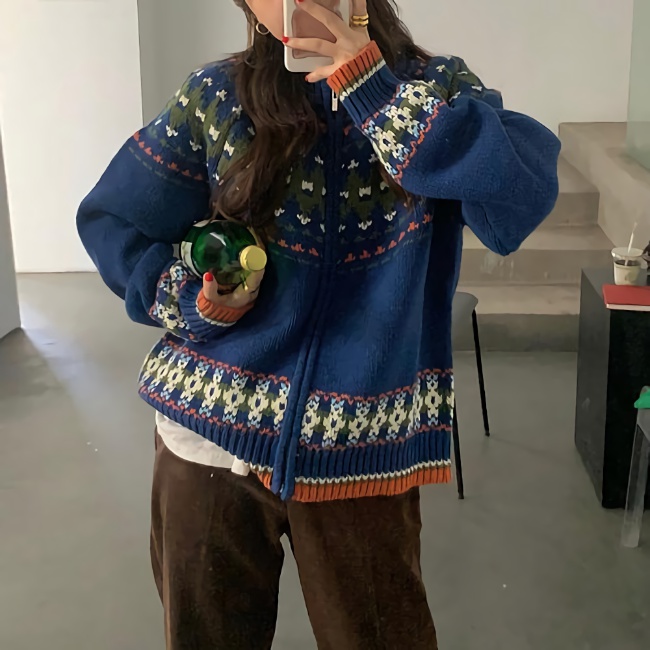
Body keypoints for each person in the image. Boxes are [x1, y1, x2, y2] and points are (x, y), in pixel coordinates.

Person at [77, 0, 560, 647]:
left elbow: (520, 199)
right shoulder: (217, 96)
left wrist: (376, 93)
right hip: (208, 440)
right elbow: (114, 220)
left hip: (362, 446)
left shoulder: (435, 88)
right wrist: (192, 299)